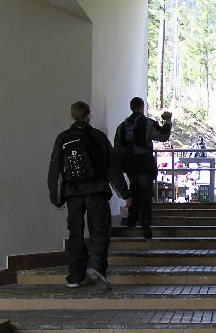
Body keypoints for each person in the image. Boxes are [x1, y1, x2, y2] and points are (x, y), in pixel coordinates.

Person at [48, 101, 131, 292]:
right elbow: (112, 167)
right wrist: (125, 193)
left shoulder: (63, 138)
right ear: (89, 116)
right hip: (97, 192)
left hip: (73, 194)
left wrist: (56, 198)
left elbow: (55, 170)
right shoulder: (97, 136)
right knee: (99, 231)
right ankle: (97, 268)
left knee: (76, 233)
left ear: (71, 117)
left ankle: (75, 276)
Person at [114, 96, 172, 239]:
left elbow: (117, 148)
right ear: (141, 107)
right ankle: (145, 221)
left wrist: (121, 165)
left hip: (129, 164)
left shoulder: (121, 126)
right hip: (144, 163)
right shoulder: (147, 123)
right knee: (145, 192)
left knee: (133, 190)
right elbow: (163, 136)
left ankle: (132, 221)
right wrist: (168, 122)